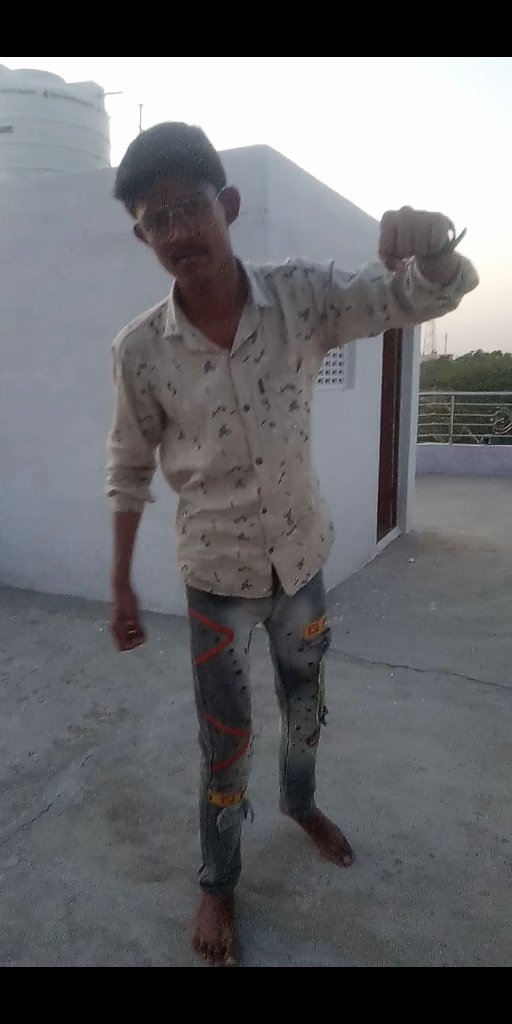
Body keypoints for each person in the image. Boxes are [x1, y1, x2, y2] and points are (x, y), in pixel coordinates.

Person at [107, 122, 478, 966]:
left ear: (226, 206)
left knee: (305, 709)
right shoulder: (138, 352)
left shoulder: (303, 298)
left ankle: (300, 802)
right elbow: (128, 467)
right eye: (154, 219)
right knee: (224, 741)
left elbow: (410, 298)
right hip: (216, 580)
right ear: (141, 235)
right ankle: (217, 882)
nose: (175, 231)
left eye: (189, 207)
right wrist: (122, 584)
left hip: (301, 566)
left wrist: (433, 252)